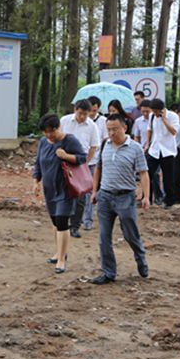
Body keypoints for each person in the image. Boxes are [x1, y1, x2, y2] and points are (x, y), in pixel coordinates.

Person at [90, 115, 150, 285]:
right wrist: (94, 191)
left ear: (124, 128)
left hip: (126, 197)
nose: (111, 133)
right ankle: (109, 272)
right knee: (104, 237)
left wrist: (146, 196)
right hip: (105, 196)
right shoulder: (105, 145)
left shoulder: (135, 148)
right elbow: (98, 168)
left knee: (130, 234)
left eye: (115, 129)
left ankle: (140, 257)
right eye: (109, 129)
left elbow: (143, 173)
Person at [33, 113, 87, 274]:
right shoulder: (43, 142)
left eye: (52, 131)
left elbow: (82, 158)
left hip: (65, 188)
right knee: (55, 222)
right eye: (46, 132)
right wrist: (36, 181)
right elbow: (38, 163)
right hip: (49, 189)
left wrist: (66, 156)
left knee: (62, 221)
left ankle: (62, 259)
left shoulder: (70, 140)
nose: (49, 135)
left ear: (59, 127)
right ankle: (58, 252)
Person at [59, 99, 99, 238]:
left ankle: (75, 226)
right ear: (75, 109)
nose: (82, 116)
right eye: (80, 113)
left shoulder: (92, 126)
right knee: (64, 193)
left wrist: (86, 163)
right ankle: (63, 222)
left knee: (81, 196)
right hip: (64, 161)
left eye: (85, 114)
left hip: (82, 163)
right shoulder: (65, 121)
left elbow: (94, 146)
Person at [145, 99, 180, 208]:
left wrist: (164, 120)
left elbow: (174, 132)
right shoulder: (151, 116)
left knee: (168, 178)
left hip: (168, 151)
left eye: (156, 111)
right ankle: (147, 198)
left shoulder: (173, 116)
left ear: (162, 109)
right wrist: (148, 143)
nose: (155, 114)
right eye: (153, 111)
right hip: (154, 150)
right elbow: (149, 130)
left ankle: (169, 201)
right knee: (147, 173)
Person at [83, 96, 107, 231]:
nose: (92, 113)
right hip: (80, 161)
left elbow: (106, 138)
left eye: (94, 110)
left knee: (90, 190)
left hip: (95, 160)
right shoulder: (81, 120)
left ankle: (87, 219)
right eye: (90, 110)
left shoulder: (102, 121)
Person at [132, 100, 163, 204]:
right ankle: (146, 197)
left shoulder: (156, 119)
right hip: (143, 150)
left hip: (155, 150)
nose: (145, 113)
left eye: (147, 111)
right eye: (143, 111)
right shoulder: (138, 121)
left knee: (155, 174)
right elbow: (136, 136)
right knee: (145, 174)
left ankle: (158, 196)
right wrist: (137, 148)